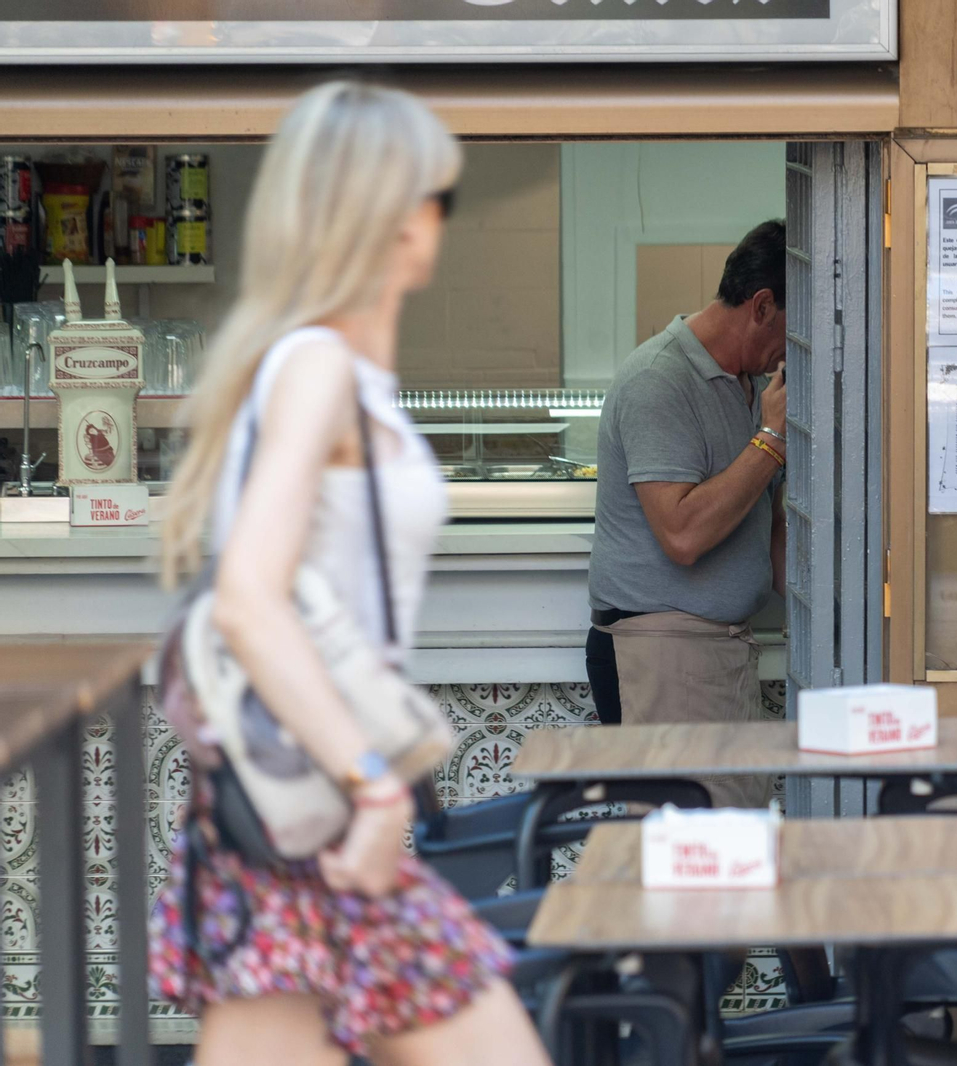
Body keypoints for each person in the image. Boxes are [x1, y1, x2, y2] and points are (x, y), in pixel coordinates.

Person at [151, 82, 552, 1066]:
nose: (439, 223)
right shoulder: (317, 367)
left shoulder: (327, 370)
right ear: (395, 214)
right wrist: (374, 787)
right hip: (312, 823)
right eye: (437, 197)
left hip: (310, 825)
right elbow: (250, 598)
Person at [585, 220, 788, 808]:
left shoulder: (753, 386)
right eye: (795, 328)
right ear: (762, 306)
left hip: (719, 652)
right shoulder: (659, 380)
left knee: (734, 834)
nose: (798, 348)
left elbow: (768, 525)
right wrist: (772, 438)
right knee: (686, 845)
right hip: (662, 655)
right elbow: (682, 534)